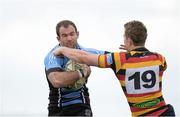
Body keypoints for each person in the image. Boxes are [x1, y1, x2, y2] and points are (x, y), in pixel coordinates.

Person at [53, 20, 176, 116]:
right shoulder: (160, 59)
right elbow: (151, 66)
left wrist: (63, 49)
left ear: (128, 40)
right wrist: (133, 51)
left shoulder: (119, 59)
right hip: (164, 113)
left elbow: (85, 57)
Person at [44, 20, 105, 116]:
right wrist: (81, 72)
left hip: (81, 105)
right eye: (64, 35)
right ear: (58, 39)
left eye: (72, 34)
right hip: (58, 108)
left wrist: (132, 51)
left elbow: (113, 58)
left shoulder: (85, 53)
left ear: (77, 34)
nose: (69, 38)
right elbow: (56, 80)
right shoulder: (53, 56)